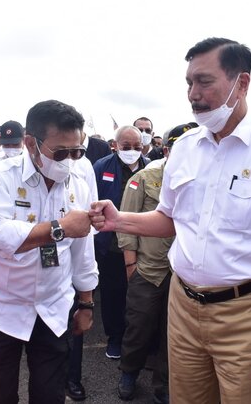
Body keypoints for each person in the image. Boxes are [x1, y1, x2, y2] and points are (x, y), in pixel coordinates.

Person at [90, 37, 251, 403]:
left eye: (204, 81)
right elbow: (169, 218)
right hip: (183, 307)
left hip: (248, 315)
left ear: (241, 83)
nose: (193, 93)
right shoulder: (184, 148)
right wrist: (120, 220)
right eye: (188, 83)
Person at [0, 99, 98, 404]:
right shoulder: (0, 174)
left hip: (54, 308)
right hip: (3, 306)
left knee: (49, 394)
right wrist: (58, 228)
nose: (69, 160)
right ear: (30, 143)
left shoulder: (77, 183)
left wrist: (86, 303)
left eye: (77, 152)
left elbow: (83, 248)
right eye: (61, 152)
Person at [116, 123, 193, 403]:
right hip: (148, 269)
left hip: (184, 273)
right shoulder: (146, 176)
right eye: (179, 149)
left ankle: (163, 383)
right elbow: (126, 221)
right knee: (139, 325)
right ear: (167, 149)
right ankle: (128, 372)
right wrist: (130, 264)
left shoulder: (201, 178)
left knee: (172, 333)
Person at [93, 125, 149, 359]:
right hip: (111, 244)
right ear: (115, 146)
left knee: (139, 296)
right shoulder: (102, 167)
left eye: (137, 146)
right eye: (127, 147)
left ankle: (140, 342)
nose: (133, 151)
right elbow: (93, 200)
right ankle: (114, 338)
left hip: (143, 244)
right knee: (112, 294)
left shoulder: (150, 168)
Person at [65, 128, 111, 401]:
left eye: (77, 148)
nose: (71, 155)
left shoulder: (83, 166)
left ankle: (72, 377)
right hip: (40, 256)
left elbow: (92, 207)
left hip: (76, 248)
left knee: (74, 318)